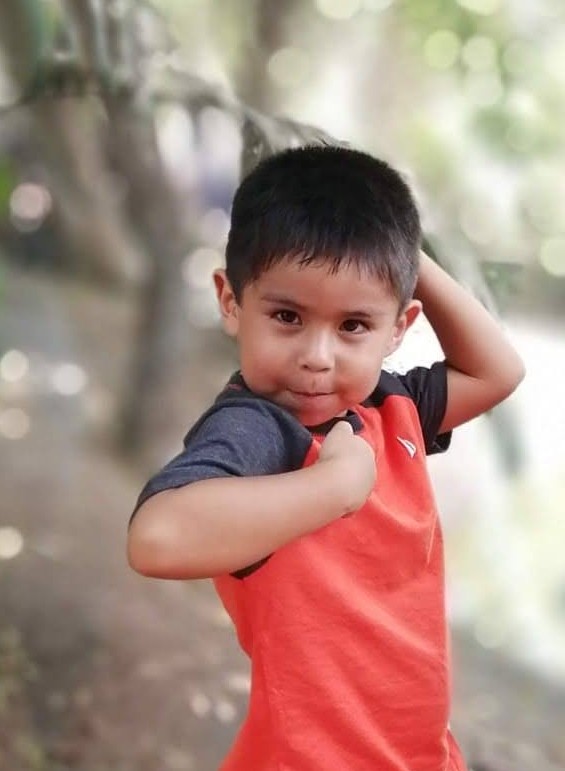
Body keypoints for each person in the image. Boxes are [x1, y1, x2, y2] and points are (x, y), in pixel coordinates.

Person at [127, 145, 525, 771]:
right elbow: (156, 538)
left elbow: (498, 371)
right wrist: (338, 485)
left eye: (354, 326)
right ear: (231, 302)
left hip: (421, 755)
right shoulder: (260, 431)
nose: (318, 356)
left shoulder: (393, 406)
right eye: (287, 316)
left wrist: (402, 253)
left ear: (401, 326)